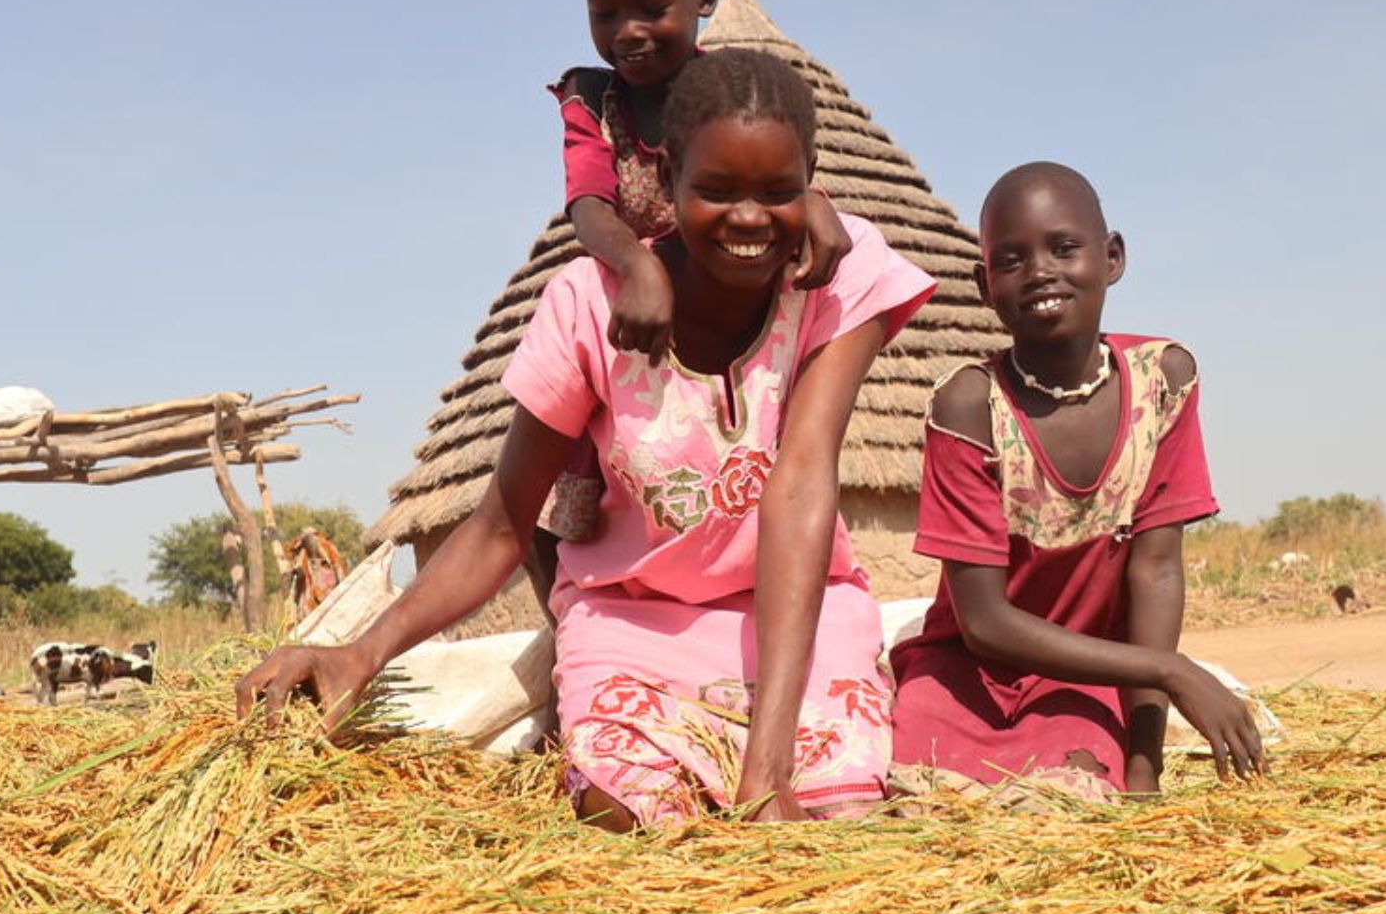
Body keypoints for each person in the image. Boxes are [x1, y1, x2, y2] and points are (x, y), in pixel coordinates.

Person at [237, 49, 935, 828]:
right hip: (635, 624)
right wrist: (360, 654)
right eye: (715, 190)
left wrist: (765, 773)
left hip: (799, 624)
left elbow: (801, 481)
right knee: (632, 819)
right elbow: (502, 524)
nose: (748, 219)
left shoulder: (841, 279)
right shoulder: (581, 308)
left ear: (812, 179)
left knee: (841, 818)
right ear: (666, 177)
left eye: (778, 192)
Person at [888, 162, 1264, 800]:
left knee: (1076, 790)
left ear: (1112, 257)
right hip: (965, 674)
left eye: (1064, 248)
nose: (1039, 272)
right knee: (925, 793)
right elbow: (982, 623)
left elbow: (1156, 572)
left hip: (1084, 672)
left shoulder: (1162, 383)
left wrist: (1146, 765)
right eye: (1011, 260)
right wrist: (1171, 672)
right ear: (984, 285)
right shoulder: (970, 407)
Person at [534, 0, 851, 562]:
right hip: (633, 311)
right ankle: (571, 623)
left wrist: (816, 200)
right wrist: (639, 266)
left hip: (723, 304)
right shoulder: (592, 101)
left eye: (652, 8)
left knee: (762, 451)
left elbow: (773, 173)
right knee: (559, 475)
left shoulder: (731, 94)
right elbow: (589, 204)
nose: (628, 31)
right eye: (605, 11)